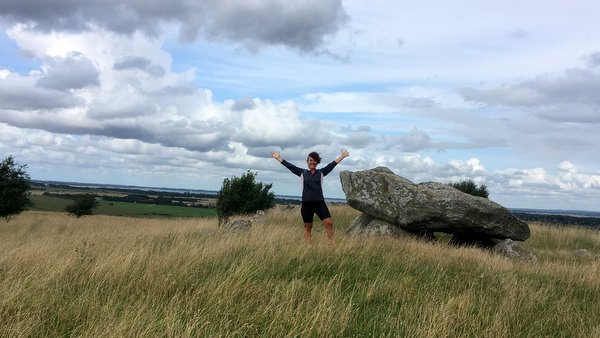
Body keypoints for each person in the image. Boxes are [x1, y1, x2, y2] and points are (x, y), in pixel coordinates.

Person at [271, 149, 350, 241]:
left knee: (329, 223)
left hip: (319, 203)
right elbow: (290, 166)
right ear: (307, 162)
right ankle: (307, 247)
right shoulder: (302, 173)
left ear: (317, 162)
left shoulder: (321, 172)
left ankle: (332, 245)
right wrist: (278, 158)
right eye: (310, 160)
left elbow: (331, 165)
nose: (312, 162)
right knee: (307, 227)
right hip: (306, 204)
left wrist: (342, 156)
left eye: (314, 160)